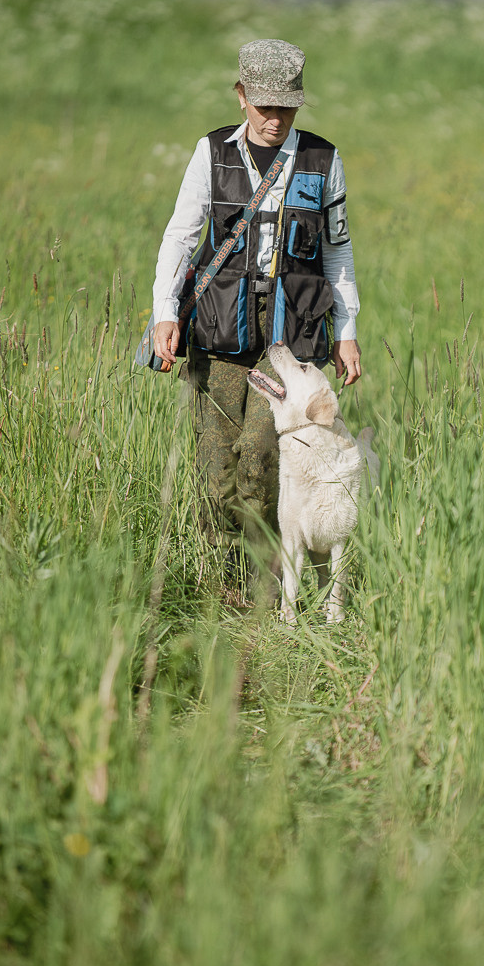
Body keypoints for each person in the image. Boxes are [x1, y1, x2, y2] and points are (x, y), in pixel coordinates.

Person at [151, 38, 361, 578]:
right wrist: (165, 313)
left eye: (287, 107)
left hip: (293, 336)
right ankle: (221, 579)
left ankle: (268, 576)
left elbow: (337, 250)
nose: (276, 119)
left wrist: (347, 328)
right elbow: (180, 236)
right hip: (220, 326)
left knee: (260, 456)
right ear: (241, 96)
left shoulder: (323, 159)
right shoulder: (212, 152)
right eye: (265, 106)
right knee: (216, 466)